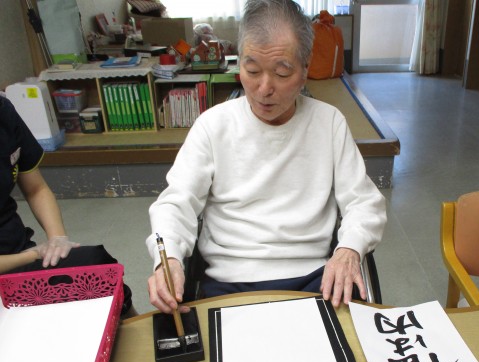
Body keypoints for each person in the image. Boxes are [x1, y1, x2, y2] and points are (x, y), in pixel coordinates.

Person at [147, 0, 386, 313]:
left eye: (282, 72)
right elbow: (176, 203)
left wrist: (349, 250)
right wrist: (169, 259)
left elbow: (363, 202)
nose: (263, 89)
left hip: (314, 277)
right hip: (227, 280)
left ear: (305, 69)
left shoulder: (328, 123)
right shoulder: (213, 125)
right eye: (252, 71)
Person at [0, 94, 134, 316]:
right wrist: (33, 255)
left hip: (20, 249)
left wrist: (57, 240)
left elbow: (36, 189)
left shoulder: (4, 111)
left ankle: (137, 331)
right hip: (16, 262)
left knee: (99, 270)